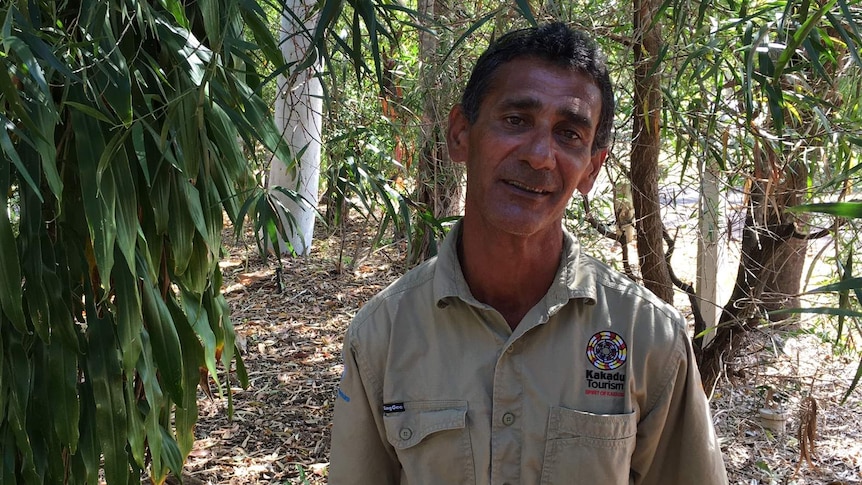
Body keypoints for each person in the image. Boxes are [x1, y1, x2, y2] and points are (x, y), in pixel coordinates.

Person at [328, 22, 728, 485]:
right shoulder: (385, 334)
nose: (540, 155)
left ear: (591, 170)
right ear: (461, 133)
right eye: (516, 121)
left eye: (569, 134)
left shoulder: (648, 337)